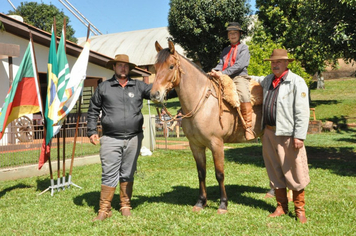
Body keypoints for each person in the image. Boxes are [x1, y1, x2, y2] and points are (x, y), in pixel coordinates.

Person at [87, 54, 176, 220]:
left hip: (134, 138)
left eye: (126, 66)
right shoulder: (104, 87)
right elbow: (92, 110)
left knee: (128, 172)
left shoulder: (138, 86)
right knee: (108, 172)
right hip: (110, 138)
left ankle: (125, 204)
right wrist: (92, 131)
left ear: (129, 68)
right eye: (119, 65)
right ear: (114, 67)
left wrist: (179, 87)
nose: (123, 68)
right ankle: (104, 209)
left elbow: (159, 94)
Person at [254, 49, 310, 223]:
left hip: (288, 134)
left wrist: (299, 136)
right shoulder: (267, 80)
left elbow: (302, 111)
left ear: (287, 63)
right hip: (269, 132)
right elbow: (253, 79)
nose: (275, 64)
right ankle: (281, 207)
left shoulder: (296, 82)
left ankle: (299, 209)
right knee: (274, 170)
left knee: (295, 170)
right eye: (272, 62)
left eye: (279, 61)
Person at [210, 22, 255, 140]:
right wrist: (214, 71)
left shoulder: (244, 48)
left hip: (239, 76)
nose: (232, 35)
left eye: (235, 33)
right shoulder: (225, 50)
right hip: (224, 76)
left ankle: (248, 127)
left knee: (244, 95)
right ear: (228, 36)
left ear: (240, 34)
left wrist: (223, 73)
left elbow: (239, 65)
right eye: (230, 33)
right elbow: (221, 64)